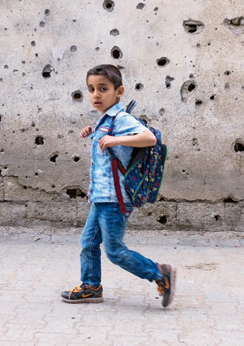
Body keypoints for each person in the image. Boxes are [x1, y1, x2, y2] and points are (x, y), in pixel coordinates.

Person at [61, 64, 176, 308]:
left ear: (119, 91)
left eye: (103, 88)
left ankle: (159, 273)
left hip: (115, 199)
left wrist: (115, 138)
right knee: (88, 242)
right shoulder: (107, 120)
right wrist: (94, 131)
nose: (96, 94)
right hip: (102, 196)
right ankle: (91, 286)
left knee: (115, 252)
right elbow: (110, 144)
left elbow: (149, 138)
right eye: (91, 89)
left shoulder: (122, 119)